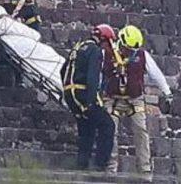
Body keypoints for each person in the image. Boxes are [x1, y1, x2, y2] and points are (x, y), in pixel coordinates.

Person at [106, 25, 173, 175]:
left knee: (141, 130)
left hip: (135, 99)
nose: (131, 52)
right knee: (110, 131)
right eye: (129, 49)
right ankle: (111, 168)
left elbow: (156, 74)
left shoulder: (142, 55)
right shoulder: (108, 53)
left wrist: (167, 92)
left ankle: (144, 168)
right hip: (112, 98)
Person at [61, 24, 117, 171]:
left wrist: (66, 89)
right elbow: (93, 77)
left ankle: (82, 164)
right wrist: (91, 101)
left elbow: (63, 70)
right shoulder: (95, 50)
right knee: (107, 125)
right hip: (83, 93)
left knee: (87, 128)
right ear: (103, 40)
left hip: (69, 93)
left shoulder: (78, 47)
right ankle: (101, 164)